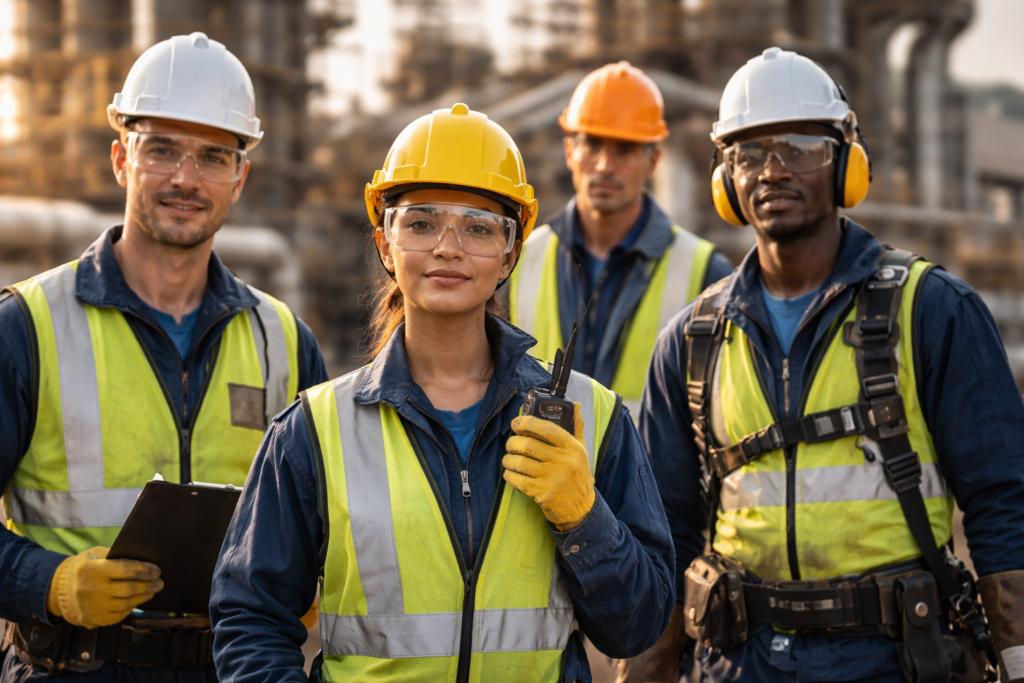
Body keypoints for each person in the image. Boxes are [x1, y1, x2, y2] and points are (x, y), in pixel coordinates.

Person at [209, 103, 676, 683]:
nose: (448, 248)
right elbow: (250, 619)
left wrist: (584, 518)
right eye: (422, 223)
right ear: (385, 244)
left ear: (510, 253)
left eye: (479, 227)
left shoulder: (591, 417)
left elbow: (638, 626)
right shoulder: (315, 431)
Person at [638, 47, 1024, 683]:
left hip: (893, 661)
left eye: (801, 147)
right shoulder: (692, 342)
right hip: (739, 662)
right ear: (724, 178)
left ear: (847, 162)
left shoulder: (931, 311)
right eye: (749, 153)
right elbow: (666, 537)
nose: (773, 170)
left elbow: (1002, 505)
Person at [0, 33, 327, 680]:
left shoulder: (285, 339)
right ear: (122, 159)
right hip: (69, 667)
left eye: (212, 156)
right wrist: (52, 582)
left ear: (240, 176)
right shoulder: (26, 326)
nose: (185, 177)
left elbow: (326, 526)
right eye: (162, 150)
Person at [508, 61, 732, 414]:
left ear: (654, 161)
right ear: (570, 151)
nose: (604, 165)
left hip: (646, 471)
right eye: (593, 145)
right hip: (537, 468)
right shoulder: (519, 259)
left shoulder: (704, 271)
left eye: (624, 150)